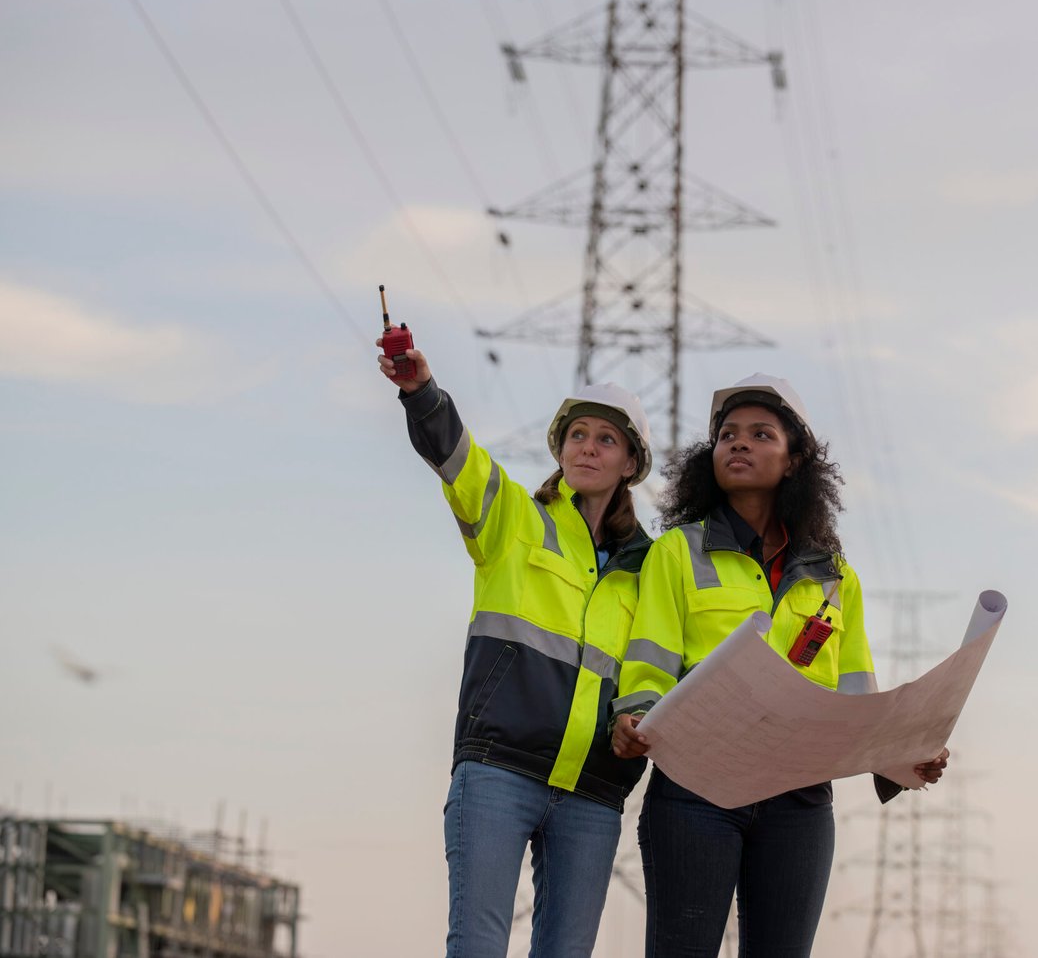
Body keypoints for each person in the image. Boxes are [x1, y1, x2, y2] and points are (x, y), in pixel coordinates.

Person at [610, 373, 949, 957]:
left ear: (795, 463)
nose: (738, 443)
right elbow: (650, 658)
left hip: (799, 801)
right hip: (696, 790)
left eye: (760, 434)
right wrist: (635, 715)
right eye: (727, 435)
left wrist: (899, 753)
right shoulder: (677, 551)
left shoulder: (835, 576)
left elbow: (856, 694)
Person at [377, 337, 654, 958]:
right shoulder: (515, 520)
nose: (588, 447)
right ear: (560, 447)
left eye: (606, 439)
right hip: (499, 771)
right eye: (577, 434)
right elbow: (458, 459)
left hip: (592, 790)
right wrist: (421, 393)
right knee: (477, 946)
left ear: (631, 462)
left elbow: (657, 669)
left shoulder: (652, 569)